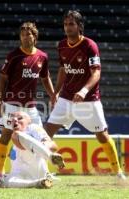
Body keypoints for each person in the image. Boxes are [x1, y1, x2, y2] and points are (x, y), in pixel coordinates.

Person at [44, 10, 126, 180]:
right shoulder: (61, 45)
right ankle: (43, 170)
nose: (68, 28)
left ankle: (117, 172)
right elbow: (62, 69)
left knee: (102, 135)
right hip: (66, 98)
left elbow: (96, 73)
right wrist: (56, 92)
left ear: (80, 26)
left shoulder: (90, 45)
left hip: (88, 99)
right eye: (66, 24)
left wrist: (83, 91)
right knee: (46, 132)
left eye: (71, 24)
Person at [0, 21, 55, 176]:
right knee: (6, 135)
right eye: (22, 35)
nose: (25, 37)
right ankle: (0, 172)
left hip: (30, 107)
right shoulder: (13, 56)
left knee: (41, 136)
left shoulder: (42, 56)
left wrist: (53, 95)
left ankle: (45, 172)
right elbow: (2, 79)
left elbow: (45, 78)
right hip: (11, 104)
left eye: (28, 34)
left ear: (34, 36)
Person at [0, 112, 65, 188]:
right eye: (12, 119)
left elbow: (53, 145)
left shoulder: (33, 128)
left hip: (38, 170)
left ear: (29, 121)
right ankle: (38, 183)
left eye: (20, 118)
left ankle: (51, 157)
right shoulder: (13, 144)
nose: (15, 120)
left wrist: (43, 146)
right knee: (0, 179)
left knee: (16, 135)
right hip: (21, 177)